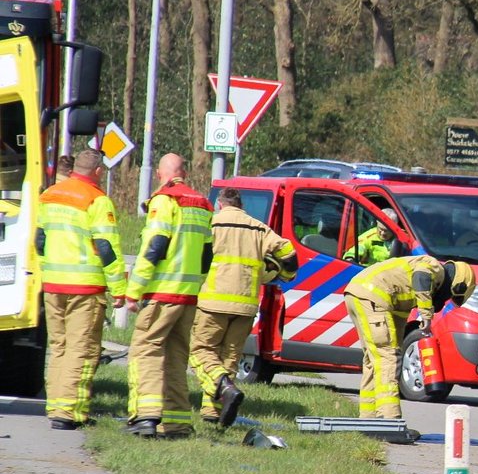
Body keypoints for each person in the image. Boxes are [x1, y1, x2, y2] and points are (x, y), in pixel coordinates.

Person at [189, 187, 298, 427]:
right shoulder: (258, 227)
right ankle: (212, 410)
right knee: (229, 357)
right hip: (246, 305)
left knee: (201, 350)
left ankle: (223, 386)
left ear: (220, 204)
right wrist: (286, 275)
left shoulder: (212, 223)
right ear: (241, 206)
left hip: (213, 300)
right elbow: (289, 253)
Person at [36, 148, 126, 430]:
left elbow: (40, 240)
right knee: (81, 349)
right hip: (84, 288)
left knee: (59, 346)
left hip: (53, 284)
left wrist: (47, 270)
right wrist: (119, 287)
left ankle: (56, 405)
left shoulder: (49, 195)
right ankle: (68, 411)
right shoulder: (97, 200)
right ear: (98, 172)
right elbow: (106, 248)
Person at [125, 154, 214, 438]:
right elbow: (206, 257)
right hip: (188, 297)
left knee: (146, 351)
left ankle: (146, 416)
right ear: (183, 173)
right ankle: (176, 423)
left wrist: (133, 291)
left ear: (161, 175)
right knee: (177, 358)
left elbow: (155, 247)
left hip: (162, 294)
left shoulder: (164, 201)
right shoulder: (202, 204)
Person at [343, 256, 475, 419]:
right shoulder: (435, 268)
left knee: (373, 360)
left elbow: (398, 315)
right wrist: (426, 315)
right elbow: (421, 277)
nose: (446, 298)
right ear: (457, 284)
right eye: (451, 296)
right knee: (388, 358)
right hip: (372, 296)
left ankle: (368, 417)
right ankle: (390, 419)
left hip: (358, 293)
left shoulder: (405, 289)